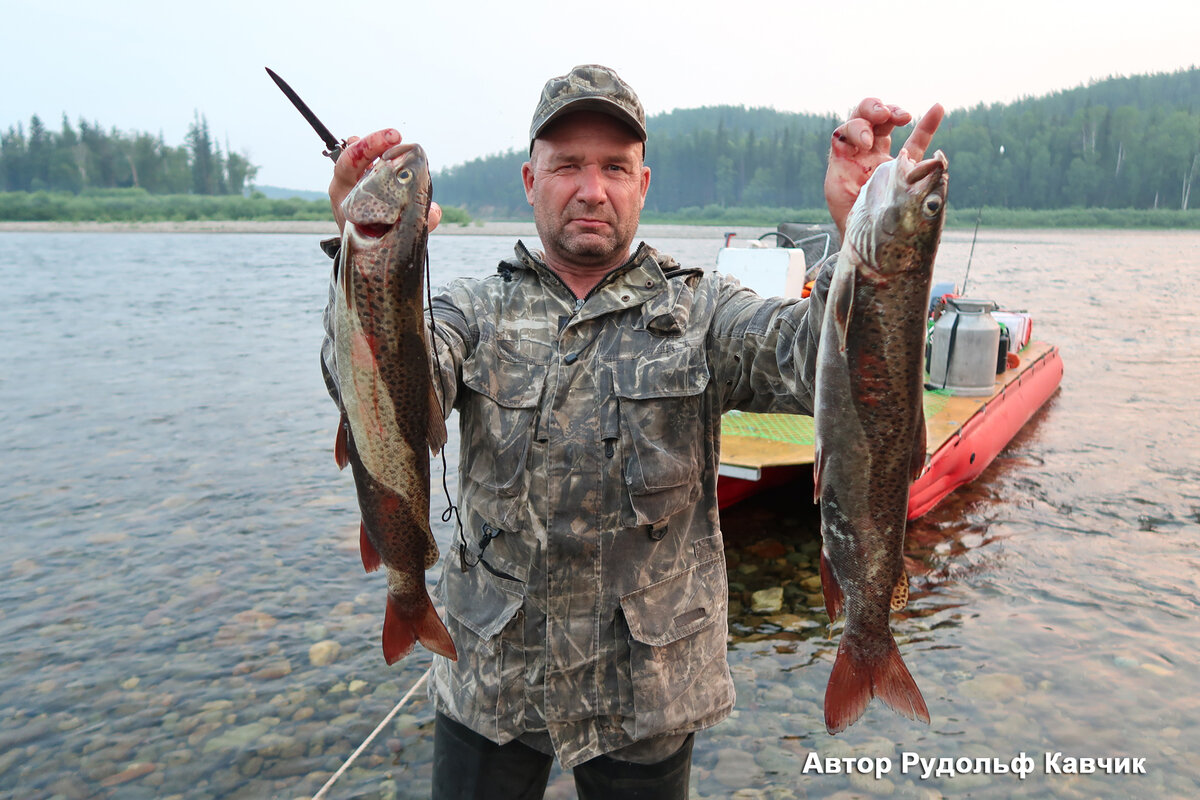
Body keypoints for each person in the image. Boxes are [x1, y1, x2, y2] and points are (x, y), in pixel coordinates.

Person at [321, 65, 943, 800]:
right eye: (568, 166)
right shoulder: (469, 309)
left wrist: (855, 234)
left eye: (615, 167)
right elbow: (369, 395)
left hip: (647, 694)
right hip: (490, 681)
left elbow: (812, 364)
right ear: (530, 179)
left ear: (642, 184)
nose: (592, 189)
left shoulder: (705, 310)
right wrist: (367, 265)